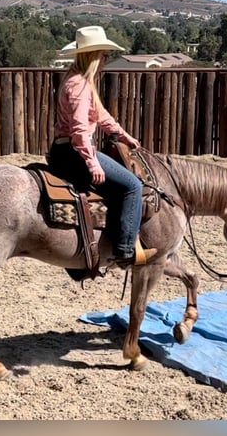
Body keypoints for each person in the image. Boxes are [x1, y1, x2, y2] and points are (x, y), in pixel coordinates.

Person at [47, 25, 156, 268]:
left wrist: (124, 135)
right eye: (104, 54)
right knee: (132, 186)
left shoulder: (79, 80)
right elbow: (78, 130)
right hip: (74, 151)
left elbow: (102, 115)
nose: (106, 59)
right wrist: (92, 161)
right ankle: (126, 250)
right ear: (94, 56)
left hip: (66, 149)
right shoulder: (80, 85)